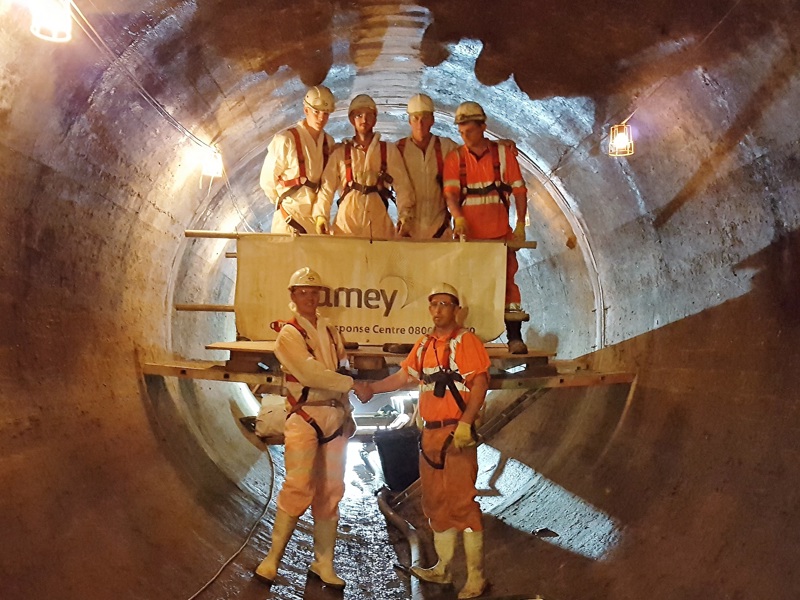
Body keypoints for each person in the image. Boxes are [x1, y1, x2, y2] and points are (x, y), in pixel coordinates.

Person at [355, 283, 491, 599]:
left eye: (445, 304)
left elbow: (480, 382)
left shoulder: (465, 342)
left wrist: (466, 424)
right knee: (436, 503)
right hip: (429, 435)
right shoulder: (425, 344)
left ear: (457, 309)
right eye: (434, 304)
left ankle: (476, 578)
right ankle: (443, 569)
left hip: (455, 434)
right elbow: (404, 376)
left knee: (463, 504)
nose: (438, 309)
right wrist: (372, 389)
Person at [254, 267, 368, 590]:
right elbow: (310, 373)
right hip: (304, 416)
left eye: (314, 291)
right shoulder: (289, 334)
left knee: (331, 491)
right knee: (298, 485)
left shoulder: (330, 331)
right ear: (292, 296)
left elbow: (342, 365)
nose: (309, 297)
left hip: (334, 418)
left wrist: (347, 409)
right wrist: (351, 384)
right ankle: (273, 559)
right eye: (303, 292)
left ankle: (324, 563)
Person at [443, 101, 530, 354]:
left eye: (468, 130)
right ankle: (467, 341)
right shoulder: (455, 158)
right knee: (468, 287)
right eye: (460, 131)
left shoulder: (503, 155)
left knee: (507, 286)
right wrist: (458, 218)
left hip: (500, 234)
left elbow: (519, 189)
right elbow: (450, 194)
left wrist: (521, 223)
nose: (464, 136)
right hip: (470, 238)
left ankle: (515, 337)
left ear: (483, 127)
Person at [314, 94, 416, 239]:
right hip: (346, 228)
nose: (364, 119)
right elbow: (327, 187)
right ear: (351, 119)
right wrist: (321, 216)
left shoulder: (388, 151)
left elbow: (403, 186)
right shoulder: (340, 154)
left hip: (379, 227)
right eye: (359, 115)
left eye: (369, 115)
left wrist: (405, 215)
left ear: (375, 119)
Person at [260, 86, 336, 235]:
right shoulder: (285, 141)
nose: (321, 118)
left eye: (326, 113)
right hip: (288, 220)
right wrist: (284, 201)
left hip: (315, 224)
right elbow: (267, 181)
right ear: (306, 110)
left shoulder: (329, 143)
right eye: (316, 112)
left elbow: (328, 183)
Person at [395, 93, 459, 239]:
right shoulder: (398, 149)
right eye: (415, 118)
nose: (420, 123)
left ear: (432, 120)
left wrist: (496, 145)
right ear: (409, 121)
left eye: (424, 118)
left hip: (440, 232)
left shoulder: (446, 147)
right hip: (407, 233)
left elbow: (471, 152)